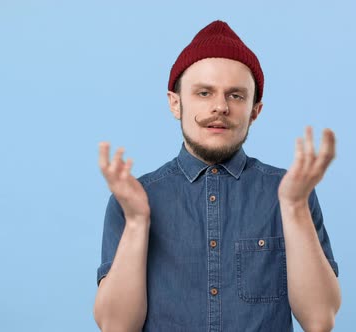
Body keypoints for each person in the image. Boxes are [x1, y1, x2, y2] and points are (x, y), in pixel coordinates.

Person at [93, 20, 341, 332]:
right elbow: (116, 326)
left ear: (255, 110)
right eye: (204, 92)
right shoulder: (133, 198)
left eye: (236, 95)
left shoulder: (291, 192)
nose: (220, 107)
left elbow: (320, 319)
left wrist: (293, 207)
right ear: (175, 103)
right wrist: (137, 222)